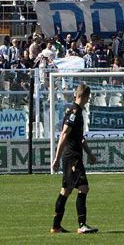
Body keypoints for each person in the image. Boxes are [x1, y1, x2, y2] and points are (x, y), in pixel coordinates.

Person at [50, 82, 99, 234]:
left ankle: (56, 226)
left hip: (72, 155)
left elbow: (79, 137)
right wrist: (56, 158)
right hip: (72, 157)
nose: (88, 100)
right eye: (88, 97)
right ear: (83, 96)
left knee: (66, 190)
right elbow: (64, 134)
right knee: (83, 188)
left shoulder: (77, 112)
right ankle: (82, 225)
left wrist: (89, 153)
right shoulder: (74, 112)